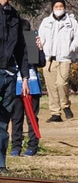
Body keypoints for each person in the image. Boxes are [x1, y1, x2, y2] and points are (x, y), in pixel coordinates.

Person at [0, 0, 30, 170]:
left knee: (3, 122)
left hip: (8, 74)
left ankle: (1, 164)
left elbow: (21, 49)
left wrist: (25, 76)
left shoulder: (14, 16)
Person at [37, 0, 78, 123]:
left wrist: (71, 49)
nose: (59, 9)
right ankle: (55, 113)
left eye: (61, 6)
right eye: (56, 7)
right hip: (49, 59)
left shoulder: (72, 22)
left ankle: (65, 105)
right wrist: (41, 50)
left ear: (64, 7)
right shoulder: (46, 22)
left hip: (65, 58)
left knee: (62, 83)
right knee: (51, 87)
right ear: (52, 8)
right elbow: (40, 38)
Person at [9, 19, 41, 157]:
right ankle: (16, 145)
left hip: (32, 85)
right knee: (16, 117)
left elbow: (40, 62)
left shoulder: (30, 41)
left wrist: (39, 49)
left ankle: (33, 145)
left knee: (31, 116)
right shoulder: (9, 43)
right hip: (15, 84)